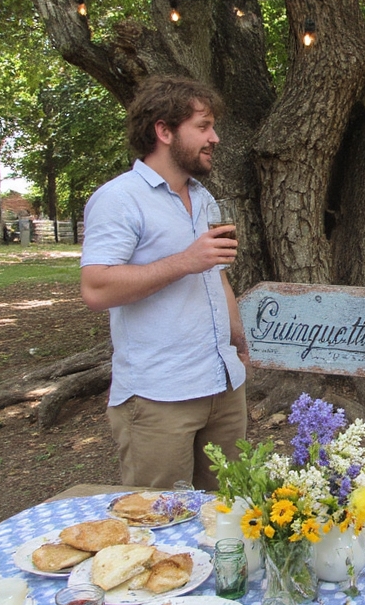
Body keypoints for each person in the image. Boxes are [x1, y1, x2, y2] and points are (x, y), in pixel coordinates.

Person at [80, 75, 249, 491]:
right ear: (164, 130)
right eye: (203, 126)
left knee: (229, 513)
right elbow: (96, 288)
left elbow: (216, 277)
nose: (216, 138)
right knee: (159, 526)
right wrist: (185, 261)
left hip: (223, 386)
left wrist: (238, 339)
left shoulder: (204, 198)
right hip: (159, 397)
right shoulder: (119, 198)